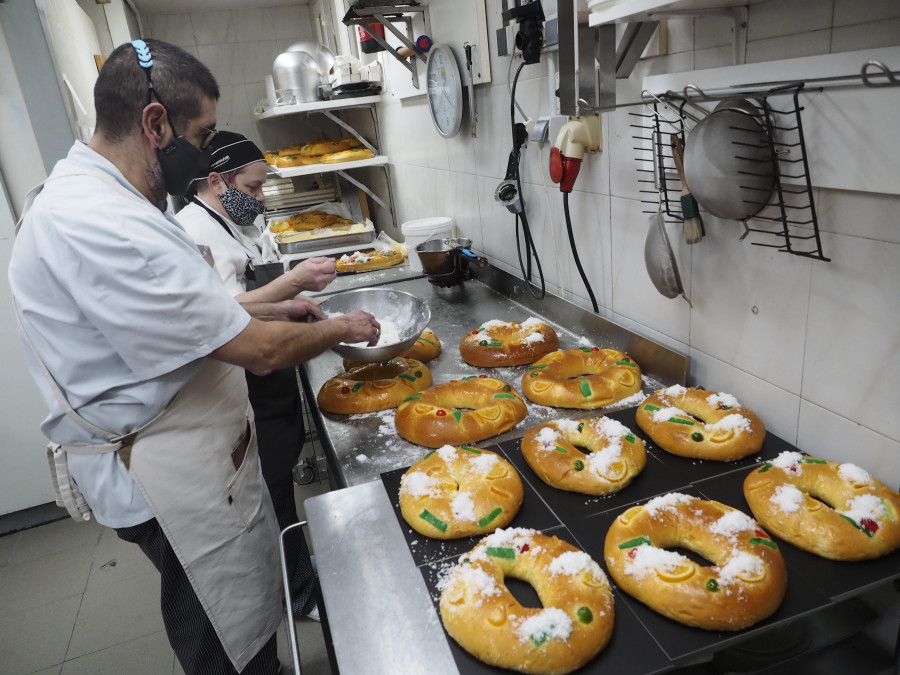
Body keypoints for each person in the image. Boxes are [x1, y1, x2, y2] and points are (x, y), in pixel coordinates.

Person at [8, 38, 379, 675]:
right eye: (202, 134)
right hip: (159, 474)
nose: (206, 152)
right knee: (219, 631)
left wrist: (275, 307)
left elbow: (194, 322)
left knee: (238, 611)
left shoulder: (112, 200)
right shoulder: (96, 221)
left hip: (189, 454)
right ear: (156, 124)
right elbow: (259, 355)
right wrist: (343, 326)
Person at [176, 131, 333, 622]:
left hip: (272, 384)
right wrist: (292, 285)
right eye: (255, 187)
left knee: (279, 488)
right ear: (218, 180)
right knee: (272, 501)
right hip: (245, 391)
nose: (262, 198)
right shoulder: (193, 233)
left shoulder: (234, 222)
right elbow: (220, 315)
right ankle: (297, 594)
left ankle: (295, 582)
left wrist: (291, 304)